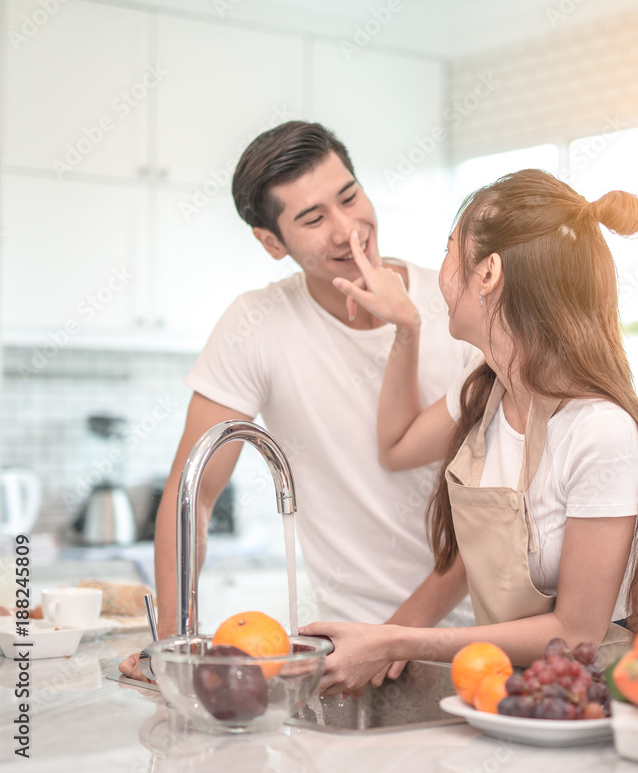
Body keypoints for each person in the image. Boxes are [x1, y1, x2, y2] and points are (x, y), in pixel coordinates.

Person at [119, 122, 476, 680]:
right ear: (272, 242)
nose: (347, 230)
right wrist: (173, 642)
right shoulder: (255, 324)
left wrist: (396, 636)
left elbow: (499, 511)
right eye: (313, 218)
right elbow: (194, 495)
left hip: (475, 641)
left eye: (350, 197)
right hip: (345, 647)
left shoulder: (458, 307)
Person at [302, 169, 638, 695]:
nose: (441, 272)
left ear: (488, 273)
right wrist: (406, 328)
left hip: (586, 712)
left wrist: (399, 641)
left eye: (450, 250)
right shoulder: (483, 395)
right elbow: (396, 447)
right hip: (511, 697)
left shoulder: (598, 431)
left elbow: (577, 631)